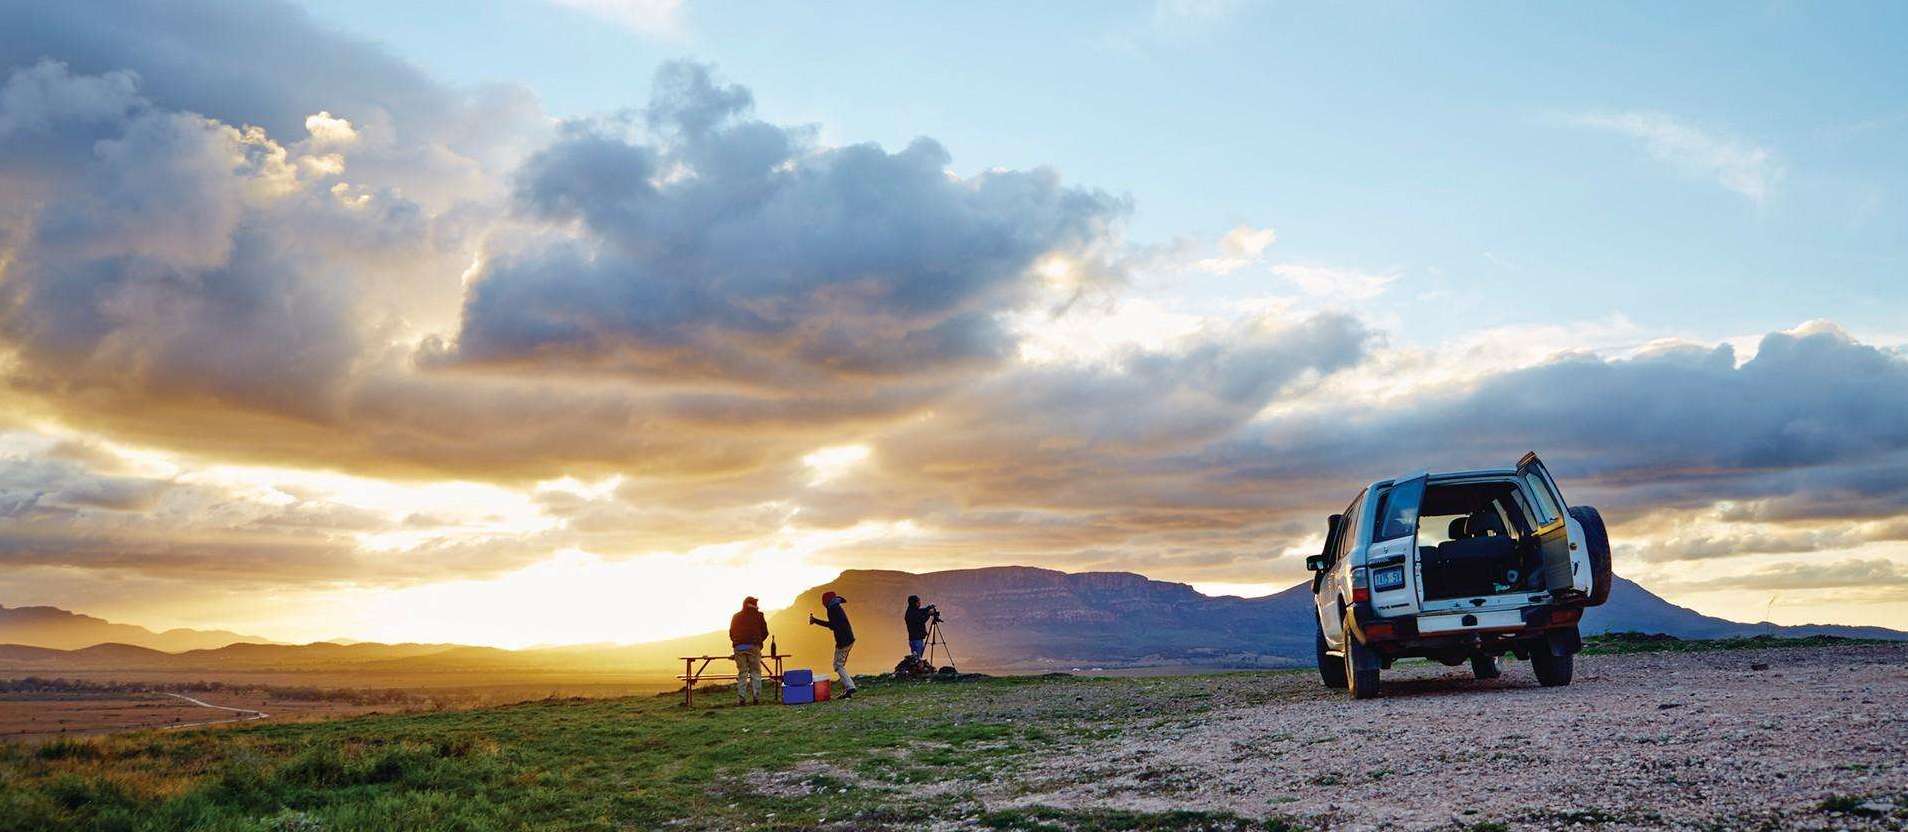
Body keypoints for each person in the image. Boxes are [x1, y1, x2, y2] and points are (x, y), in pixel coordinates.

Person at [807, 590, 857, 698]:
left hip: (843, 641)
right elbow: (835, 625)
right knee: (840, 665)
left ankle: (850, 687)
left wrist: (815, 621)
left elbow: (832, 625)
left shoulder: (832, 609)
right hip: (849, 639)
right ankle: (847, 690)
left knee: (838, 665)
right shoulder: (836, 607)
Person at [729, 596, 769, 705]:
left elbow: (731, 633)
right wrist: (758, 641)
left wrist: (737, 642)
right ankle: (756, 697)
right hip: (753, 646)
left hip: (739, 648)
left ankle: (742, 698)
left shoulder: (736, 616)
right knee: (755, 672)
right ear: (754, 604)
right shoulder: (759, 615)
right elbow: (765, 632)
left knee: (742, 673)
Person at [904, 595, 932, 662]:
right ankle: (916, 671)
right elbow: (921, 620)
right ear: (915, 603)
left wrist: (928, 608)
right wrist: (928, 614)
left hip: (916, 639)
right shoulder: (911, 613)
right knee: (917, 659)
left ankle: (917, 670)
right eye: (918, 602)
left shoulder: (912, 611)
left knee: (917, 658)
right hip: (916, 640)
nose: (920, 603)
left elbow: (920, 611)